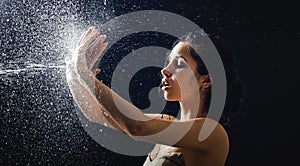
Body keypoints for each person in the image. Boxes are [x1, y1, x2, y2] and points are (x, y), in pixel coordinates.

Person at [65, 26, 244, 166]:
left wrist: (85, 76)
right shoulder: (165, 122)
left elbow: (138, 127)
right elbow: (97, 115)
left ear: (206, 81)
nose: (165, 70)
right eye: (169, 62)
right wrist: (74, 75)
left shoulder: (213, 134)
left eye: (180, 64)